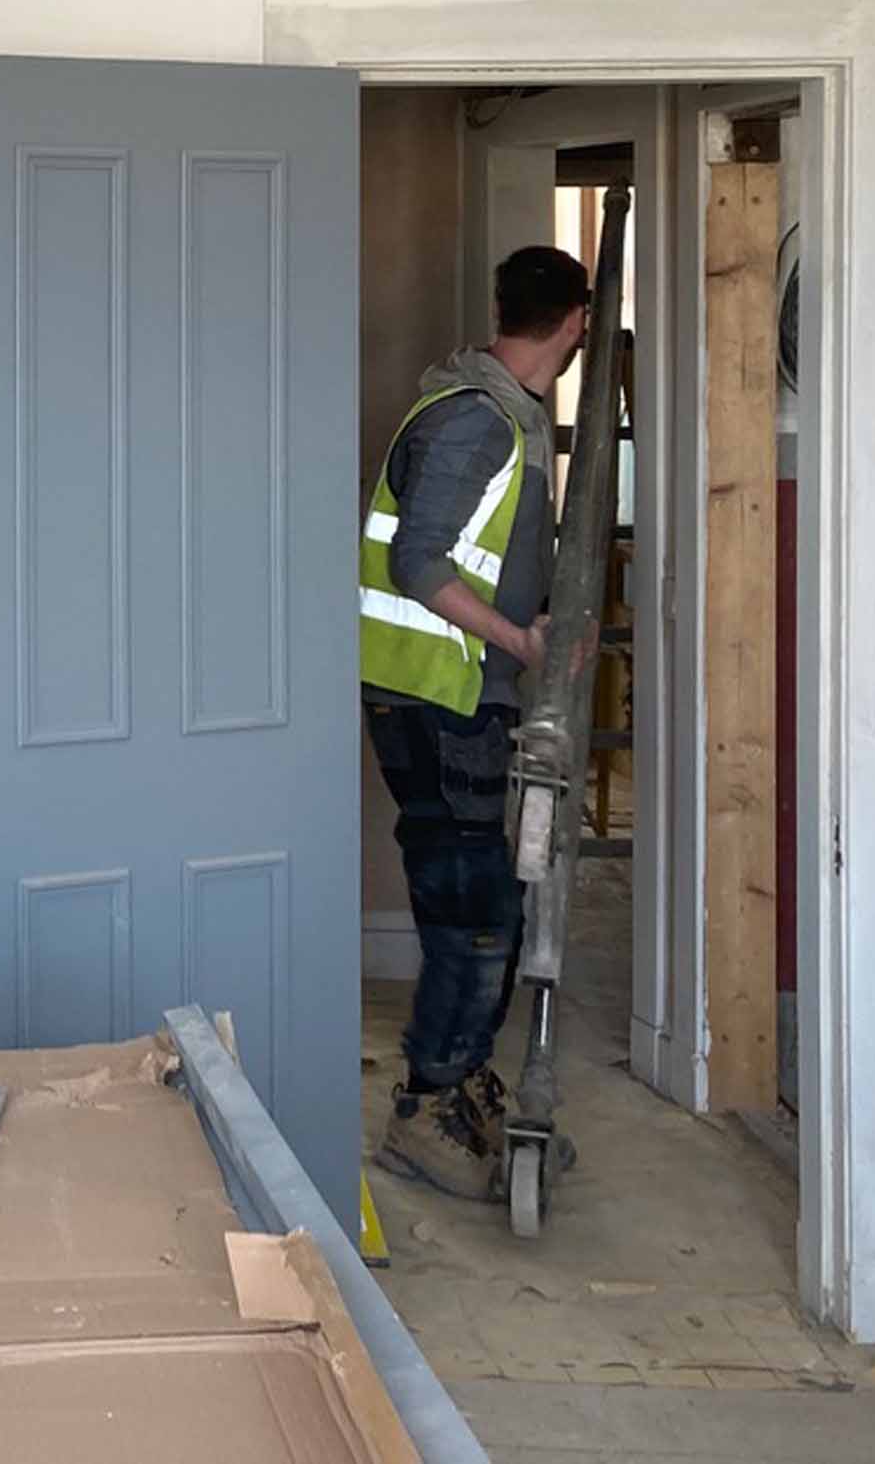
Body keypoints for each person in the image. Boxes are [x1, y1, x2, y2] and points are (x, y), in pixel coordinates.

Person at [358, 243, 589, 1200]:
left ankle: (461, 1082)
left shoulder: (500, 412)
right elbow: (418, 562)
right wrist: (519, 642)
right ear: (576, 324)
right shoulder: (475, 421)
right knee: (474, 918)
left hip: (454, 695)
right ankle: (426, 1109)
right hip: (437, 697)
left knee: (487, 909)